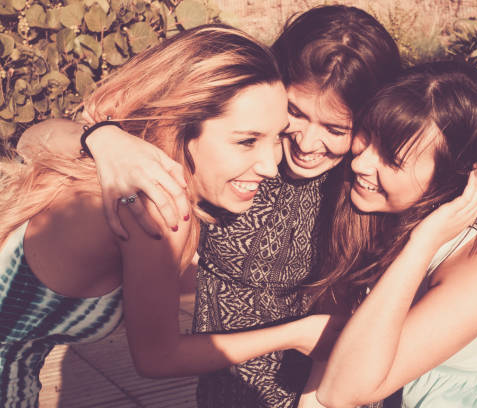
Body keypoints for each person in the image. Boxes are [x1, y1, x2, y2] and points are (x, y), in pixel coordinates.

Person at [19, 6, 403, 407]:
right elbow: (35, 141)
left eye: (335, 129)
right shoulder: (229, 152)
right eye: (296, 113)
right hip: (226, 389)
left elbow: (345, 319)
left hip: (325, 388)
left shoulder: (357, 187)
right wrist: (103, 140)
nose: (306, 144)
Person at [311, 61, 477, 407]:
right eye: (367, 137)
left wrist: (422, 243)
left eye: (391, 159)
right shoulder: (373, 208)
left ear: (453, 176)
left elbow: (342, 392)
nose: (361, 164)